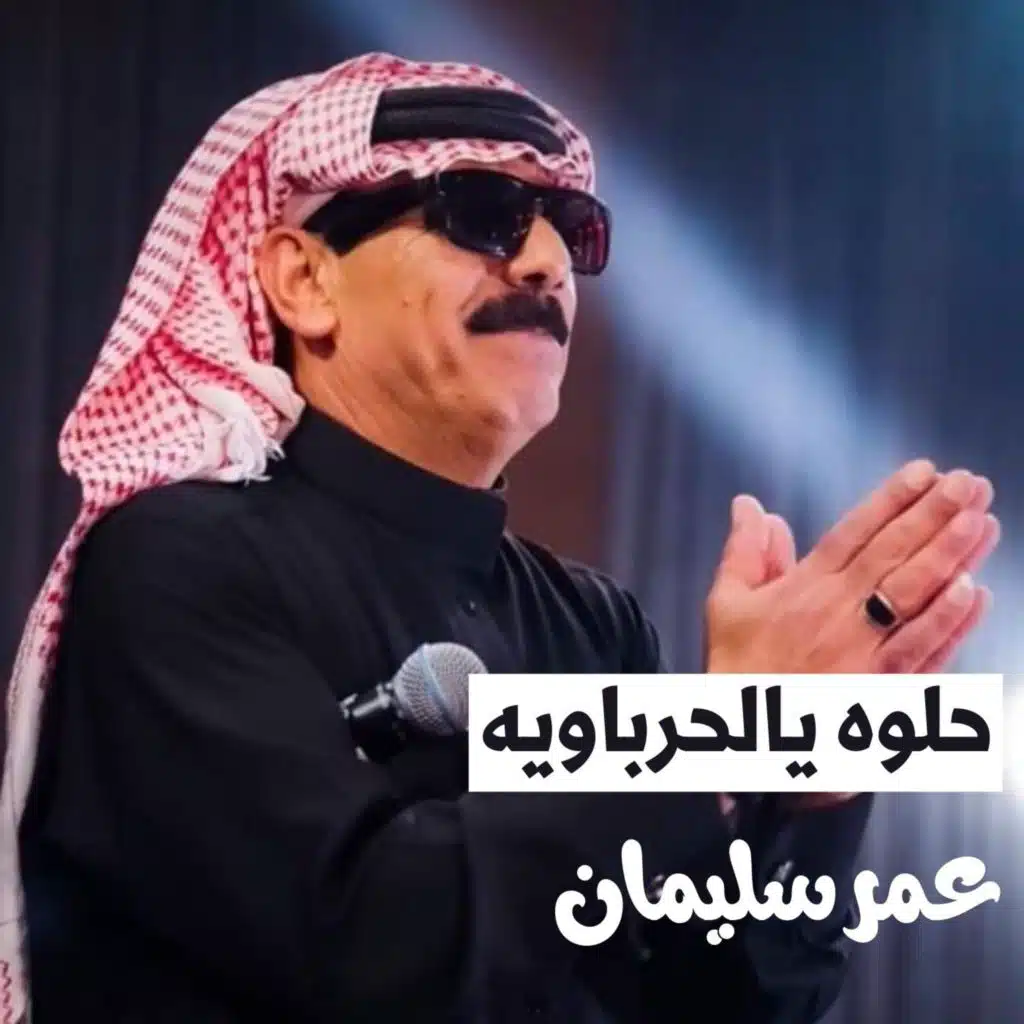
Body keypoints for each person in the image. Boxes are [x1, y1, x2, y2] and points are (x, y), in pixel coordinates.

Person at [4, 52, 998, 1024]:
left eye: (570, 229)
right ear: (304, 280)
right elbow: (371, 944)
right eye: (480, 213)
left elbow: (718, 998)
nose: (547, 262)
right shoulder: (176, 563)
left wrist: (812, 781)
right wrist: (728, 735)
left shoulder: (591, 623)